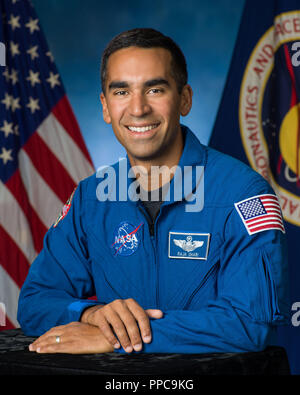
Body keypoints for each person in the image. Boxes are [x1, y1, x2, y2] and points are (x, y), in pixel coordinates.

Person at [17, 28, 289, 355]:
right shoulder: (91, 199)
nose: (138, 109)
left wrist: (118, 339)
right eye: (121, 92)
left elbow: (248, 323)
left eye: (155, 89)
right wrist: (91, 315)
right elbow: (35, 302)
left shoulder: (242, 195)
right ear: (105, 107)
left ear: (185, 98)